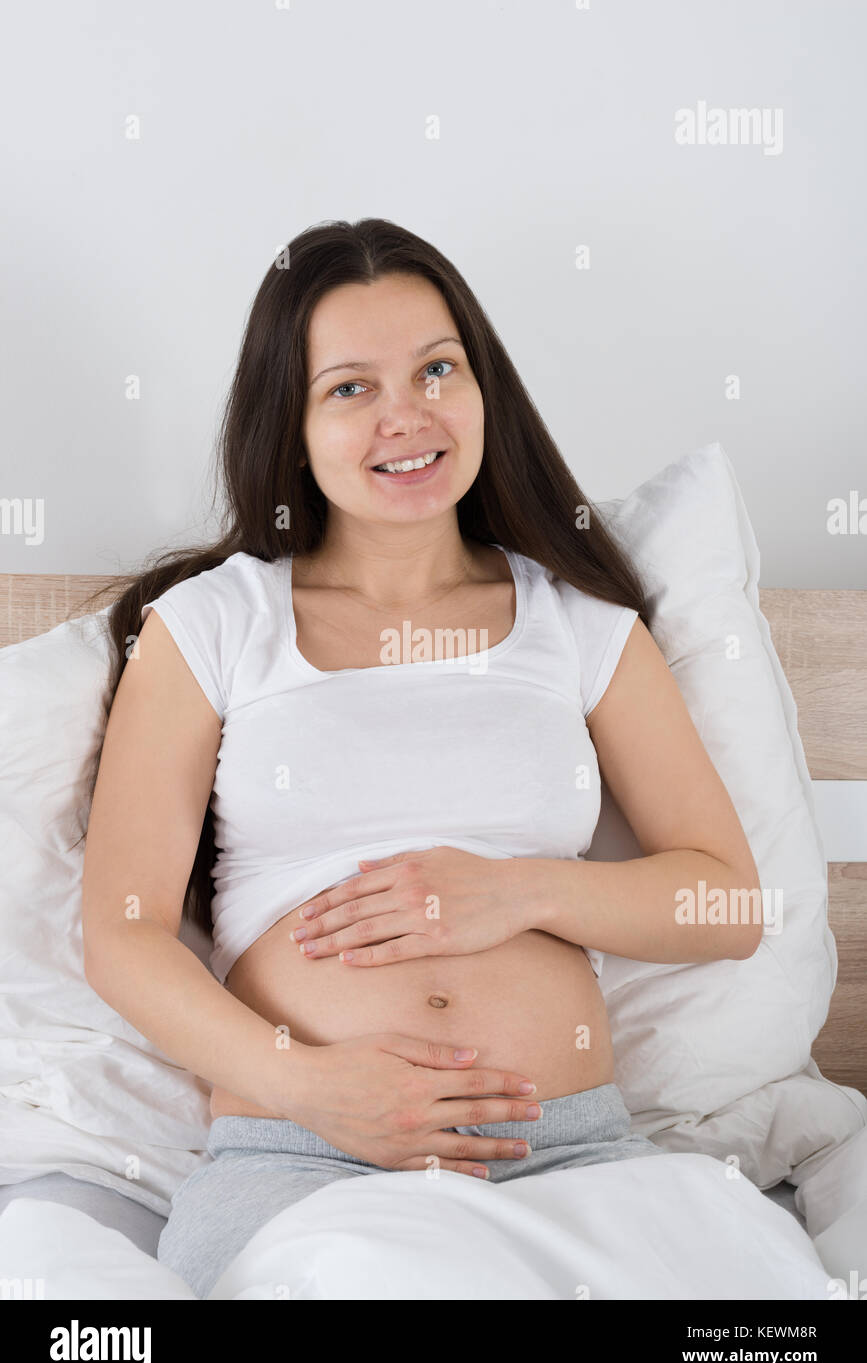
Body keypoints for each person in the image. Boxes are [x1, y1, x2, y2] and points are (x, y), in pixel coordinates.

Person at [81, 218, 763, 1298]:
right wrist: (307, 1084)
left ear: (482, 385)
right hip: (307, 1164)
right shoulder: (210, 627)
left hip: (575, 1155)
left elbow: (727, 902)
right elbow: (124, 938)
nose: (408, 416)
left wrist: (517, 892)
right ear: (291, 422)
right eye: (350, 388)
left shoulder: (577, 623)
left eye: (437, 369)